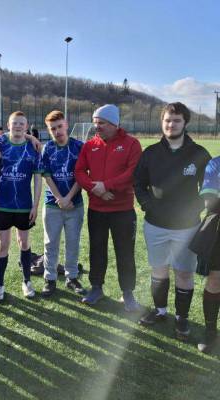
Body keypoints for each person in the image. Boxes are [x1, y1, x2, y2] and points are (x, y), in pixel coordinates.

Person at [134, 102, 211, 340]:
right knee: (159, 271)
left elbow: (209, 189)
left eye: (176, 120)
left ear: (185, 123)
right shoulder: (150, 153)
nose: (171, 124)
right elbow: (138, 183)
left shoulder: (199, 154)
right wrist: (147, 205)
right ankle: (160, 311)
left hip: (187, 228)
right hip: (155, 225)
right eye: (167, 120)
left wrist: (195, 208)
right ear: (162, 122)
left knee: (184, 274)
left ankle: (182, 319)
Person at [75, 104, 142, 311]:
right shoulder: (89, 145)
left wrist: (108, 185)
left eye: (101, 123)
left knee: (125, 252)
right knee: (97, 250)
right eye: (95, 123)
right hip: (97, 210)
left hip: (123, 211)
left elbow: (133, 172)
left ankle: (128, 293)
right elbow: (79, 172)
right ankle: (96, 288)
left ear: (114, 123)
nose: (97, 127)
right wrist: (97, 190)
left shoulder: (131, 144)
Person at [0, 111, 43, 301]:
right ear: (8, 125)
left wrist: (35, 206)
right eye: (15, 123)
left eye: (22, 123)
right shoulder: (0, 143)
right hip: (2, 205)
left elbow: (38, 179)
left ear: (27, 125)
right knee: (3, 244)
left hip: (23, 206)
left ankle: (26, 281)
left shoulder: (33, 148)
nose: (18, 126)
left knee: (24, 242)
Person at [40, 110, 85, 297]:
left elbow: (82, 175)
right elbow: (47, 175)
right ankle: (49, 279)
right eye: (53, 129)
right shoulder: (48, 148)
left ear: (66, 125)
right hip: (53, 205)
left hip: (75, 205)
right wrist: (59, 197)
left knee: (73, 242)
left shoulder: (79, 146)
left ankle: (71, 277)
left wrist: (69, 197)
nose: (57, 131)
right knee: (50, 243)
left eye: (59, 127)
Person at [190, 158, 220, 352]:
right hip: (218, 225)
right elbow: (209, 200)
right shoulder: (215, 164)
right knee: (215, 281)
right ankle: (210, 332)